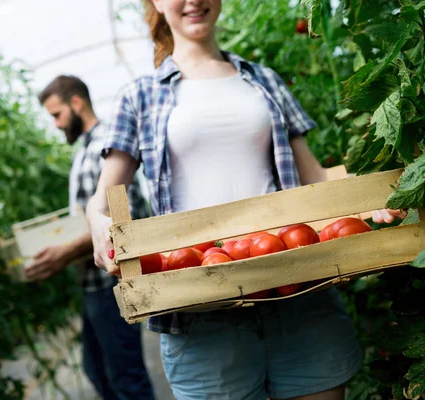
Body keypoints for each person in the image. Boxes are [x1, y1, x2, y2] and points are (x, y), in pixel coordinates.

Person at [85, 1, 405, 399]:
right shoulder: (138, 96)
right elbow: (100, 202)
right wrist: (100, 228)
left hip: (299, 287)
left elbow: (316, 178)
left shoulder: (264, 80)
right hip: (201, 312)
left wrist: (374, 196)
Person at [27, 75, 155, 400]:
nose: (55, 124)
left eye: (57, 115)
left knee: (127, 378)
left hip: (110, 282)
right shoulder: (84, 150)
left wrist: (65, 252)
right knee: (97, 371)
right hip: (91, 283)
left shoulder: (105, 147)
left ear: (76, 103)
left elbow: (127, 217)